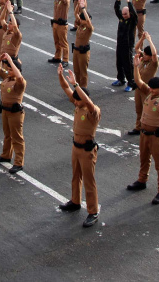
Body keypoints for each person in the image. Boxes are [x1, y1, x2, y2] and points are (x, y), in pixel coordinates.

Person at [56, 64, 101, 228]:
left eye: (77, 99)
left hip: (87, 150)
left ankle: (93, 211)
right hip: (76, 147)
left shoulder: (92, 111)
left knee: (89, 181)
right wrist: (61, 75)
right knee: (76, 176)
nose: (74, 101)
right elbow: (65, 88)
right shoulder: (78, 105)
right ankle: (75, 201)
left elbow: (88, 101)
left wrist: (76, 84)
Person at [126, 57, 159, 204]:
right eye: (150, 88)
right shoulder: (150, 93)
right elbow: (139, 82)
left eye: (154, 89)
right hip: (144, 134)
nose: (151, 91)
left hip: (156, 136)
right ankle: (142, 180)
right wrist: (135, 67)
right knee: (144, 159)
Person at [0, 53, 25, 174]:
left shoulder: (20, 82)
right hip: (5, 110)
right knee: (7, 135)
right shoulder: (7, 77)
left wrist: (11, 61)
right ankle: (6, 155)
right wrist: (0, 58)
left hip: (15, 112)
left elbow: (19, 78)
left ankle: (18, 162)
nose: (9, 71)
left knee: (17, 137)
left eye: (11, 69)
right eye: (8, 69)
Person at [127, 32, 158, 135]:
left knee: (147, 109)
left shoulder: (153, 64)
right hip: (138, 88)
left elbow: (154, 54)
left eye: (145, 55)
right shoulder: (143, 61)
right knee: (138, 108)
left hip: (147, 89)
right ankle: (138, 127)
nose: (143, 56)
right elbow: (136, 48)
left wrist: (149, 40)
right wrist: (142, 39)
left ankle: (147, 126)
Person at [112, 0, 139, 91]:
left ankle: (131, 83)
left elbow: (135, 14)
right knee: (119, 62)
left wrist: (129, 3)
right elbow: (116, 10)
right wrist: (118, 0)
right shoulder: (121, 18)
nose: (123, 16)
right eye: (122, 14)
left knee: (128, 64)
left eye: (125, 14)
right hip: (120, 43)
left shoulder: (132, 21)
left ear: (129, 13)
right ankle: (121, 79)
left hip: (127, 45)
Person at [47, 0, 70, 65]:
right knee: (56, 42)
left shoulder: (66, 0)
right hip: (55, 23)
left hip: (62, 24)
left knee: (63, 43)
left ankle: (65, 59)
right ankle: (57, 57)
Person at [72, 0, 93, 92]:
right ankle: (78, 88)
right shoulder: (80, 24)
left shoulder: (89, 28)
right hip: (76, 50)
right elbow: (76, 14)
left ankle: (83, 89)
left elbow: (88, 21)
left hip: (83, 52)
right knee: (76, 71)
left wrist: (83, 9)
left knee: (83, 72)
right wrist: (78, 5)